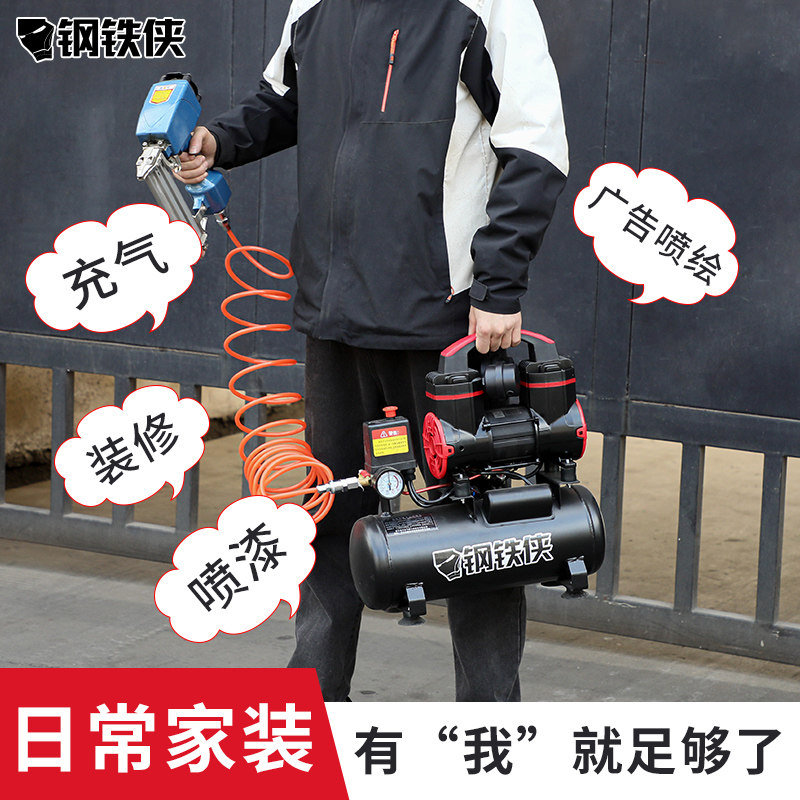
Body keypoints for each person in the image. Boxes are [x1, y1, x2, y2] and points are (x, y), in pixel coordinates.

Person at [177, 0, 568, 701]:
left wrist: (499, 284)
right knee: (328, 516)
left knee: (476, 531)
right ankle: (314, 707)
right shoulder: (315, 4)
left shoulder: (488, 6)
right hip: (336, 310)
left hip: (442, 316)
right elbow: (284, 99)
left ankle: (490, 729)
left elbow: (536, 145)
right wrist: (219, 140)